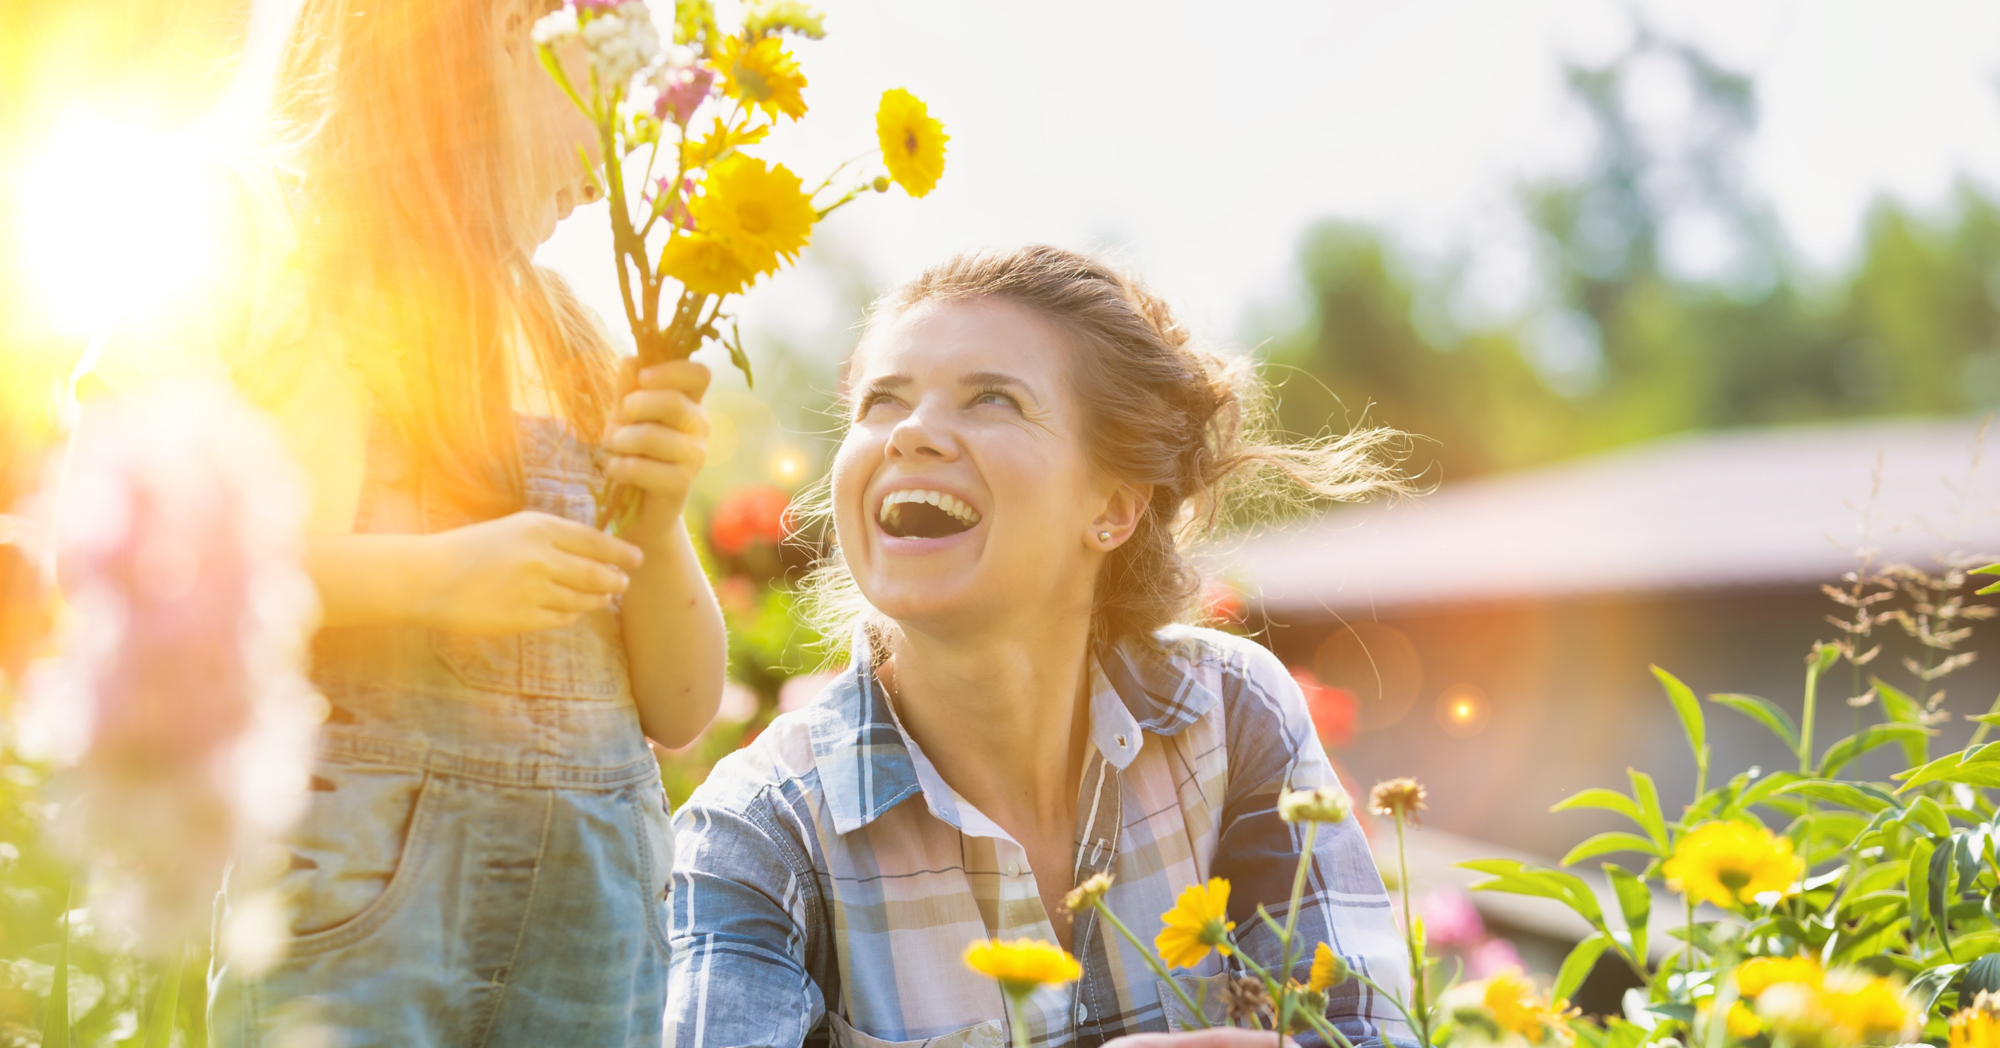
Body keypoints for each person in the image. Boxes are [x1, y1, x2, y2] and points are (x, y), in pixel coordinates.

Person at [76, 0, 724, 1044]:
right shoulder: (255, 233)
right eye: (616, 89)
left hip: (592, 926)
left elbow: (680, 700)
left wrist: (655, 520)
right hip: (351, 913)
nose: (617, 163)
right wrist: (428, 580)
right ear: (518, 29)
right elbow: (132, 545)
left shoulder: (570, 336)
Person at [665, 246, 1413, 1048]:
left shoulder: (1232, 716)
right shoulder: (760, 831)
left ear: (1114, 507)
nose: (912, 431)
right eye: (884, 400)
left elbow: (1362, 1030)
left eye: (992, 399)